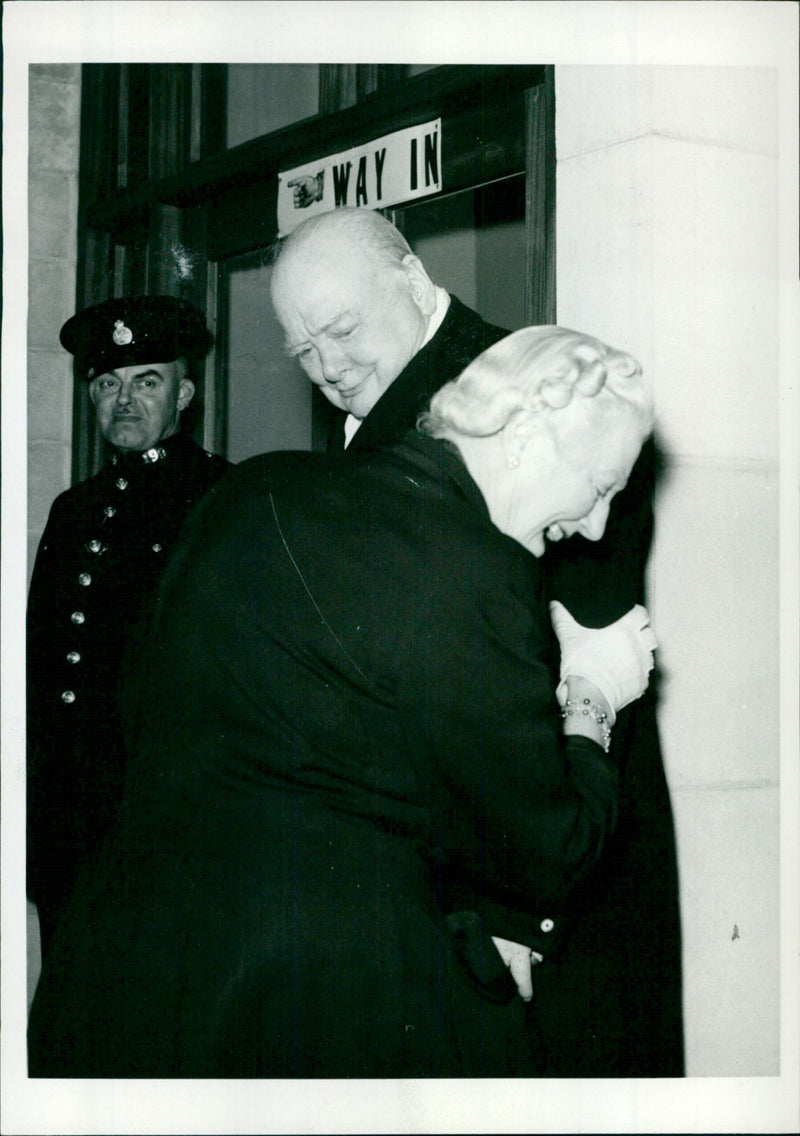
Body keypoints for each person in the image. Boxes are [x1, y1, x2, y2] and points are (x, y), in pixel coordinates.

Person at [29, 326, 656, 1078]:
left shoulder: (259, 484)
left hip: (126, 967)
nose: (593, 525)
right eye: (601, 486)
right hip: (305, 1002)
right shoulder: (477, 572)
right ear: (525, 440)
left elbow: (137, 700)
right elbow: (549, 851)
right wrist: (594, 694)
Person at [271, 207, 683, 1076]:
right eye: (303, 351)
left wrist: (513, 910)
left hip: (534, 871)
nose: (330, 369)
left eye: (343, 330)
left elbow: (583, 654)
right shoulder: (386, 401)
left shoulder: (536, 392)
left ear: (414, 283)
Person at [27, 295, 231, 956]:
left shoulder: (222, 500)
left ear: (184, 394)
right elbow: (44, 665)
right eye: (107, 383)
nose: (124, 399)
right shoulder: (74, 511)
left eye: (147, 382)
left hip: (165, 818)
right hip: (70, 817)